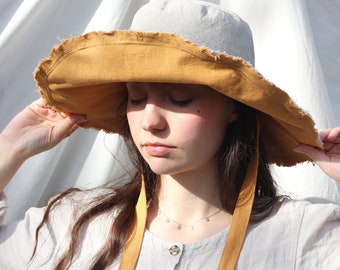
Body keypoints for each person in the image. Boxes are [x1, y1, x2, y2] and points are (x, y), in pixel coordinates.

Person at [0, 0, 339, 269]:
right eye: (136, 97)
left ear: (235, 107)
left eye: (179, 99)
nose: (150, 120)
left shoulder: (303, 237)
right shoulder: (71, 225)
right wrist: (9, 150)